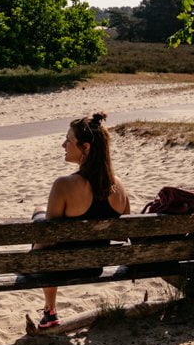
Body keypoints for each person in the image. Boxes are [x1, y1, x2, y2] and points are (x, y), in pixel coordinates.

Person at [31, 112, 131, 328]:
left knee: (39, 217)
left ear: (86, 148)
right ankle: (49, 310)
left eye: (68, 140)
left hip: (61, 267)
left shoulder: (64, 185)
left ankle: (50, 310)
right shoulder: (119, 186)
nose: (63, 145)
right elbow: (125, 232)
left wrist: (32, 258)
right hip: (93, 267)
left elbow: (48, 239)